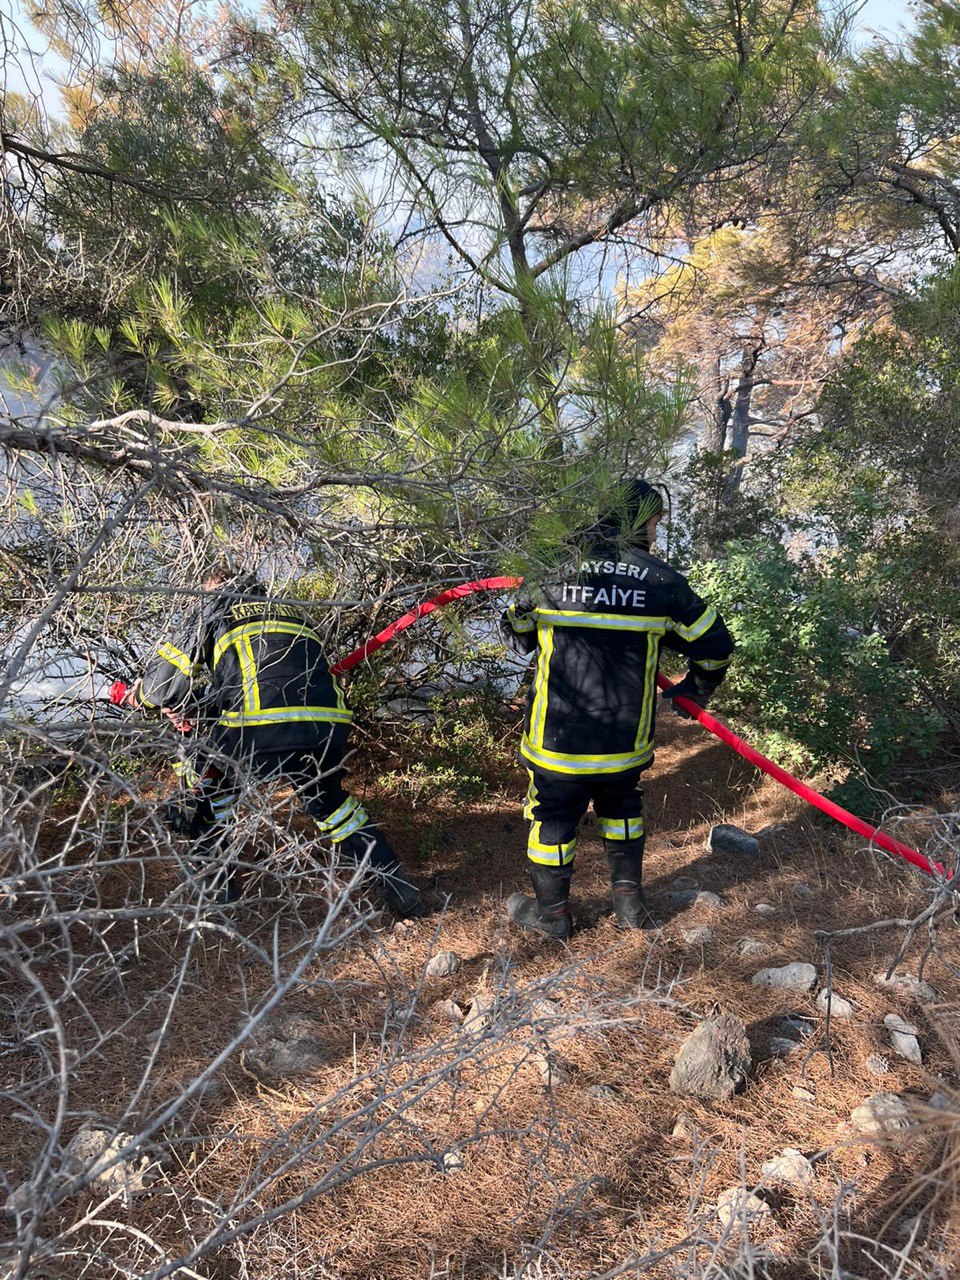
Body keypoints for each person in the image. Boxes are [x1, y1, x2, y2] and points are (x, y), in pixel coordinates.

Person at [113, 566, 424, 916]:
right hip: (323, 724)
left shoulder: (213, 608)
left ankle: (219, 897)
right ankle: (401, 891)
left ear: (212, 588)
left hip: (257, 725)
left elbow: (164, 685)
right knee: (333, 807)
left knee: (211, 797)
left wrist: (137, 695)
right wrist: (198, 705)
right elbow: (264, 677)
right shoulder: (291, 610)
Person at [500, 479, 734, 940]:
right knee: (622, 807)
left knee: (553, 816)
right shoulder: (663, 582)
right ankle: (630, 909)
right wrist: (695, 690)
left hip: (556, 742)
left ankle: (552, 916)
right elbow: (715, 647)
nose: (655, 534)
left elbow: (516, 630)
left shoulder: (552, 571)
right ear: (642, 521)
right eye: (655, 524)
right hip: (624, 741)